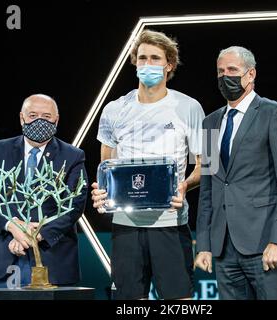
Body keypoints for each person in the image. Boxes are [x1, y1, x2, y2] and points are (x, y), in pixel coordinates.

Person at [91, 29, 205, 300]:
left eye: (155, 58)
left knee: (179, 302)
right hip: (125, 225)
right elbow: (106, 164)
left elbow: (207, 166)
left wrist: (184, 186)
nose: (147, 64)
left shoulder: (191, 107)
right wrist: (103, 192)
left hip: (171, 223)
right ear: (134, 62)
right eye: (142, 58)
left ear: (169, 65)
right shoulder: (113, 109)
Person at [194, 46, 277, 300]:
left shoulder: (275, 113)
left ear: (251, 74)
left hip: (265, 244)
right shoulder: (209, 123)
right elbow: (208, 188)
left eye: (232, 70)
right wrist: (204, 244)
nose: (225, 77)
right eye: (220, 72)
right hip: (223, 249)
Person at [0, 94, 89, 289]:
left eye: (46, 117)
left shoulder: (72, 156)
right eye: (33, 115)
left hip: (52, 255)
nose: (39, 121)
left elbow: (75, 205)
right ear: (22, 118)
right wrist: (12, 227)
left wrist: (34, 235)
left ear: (56, 119)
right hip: (3, 251)